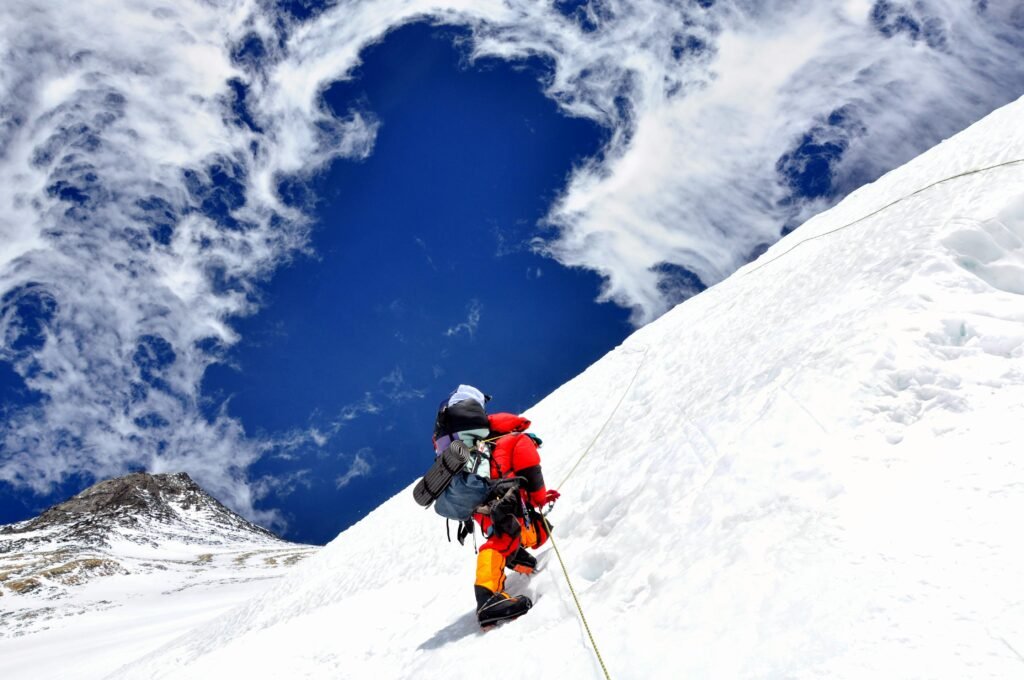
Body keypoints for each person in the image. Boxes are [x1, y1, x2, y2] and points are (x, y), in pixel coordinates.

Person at [472, 411, 559, 627]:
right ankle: (488, 598)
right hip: (505, 502)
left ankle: (517, 557)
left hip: (483, 510)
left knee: (505, 536)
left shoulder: (483, 448)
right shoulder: (518, 439)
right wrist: (540, 498)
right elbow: (531, 473)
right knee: (526, 533)